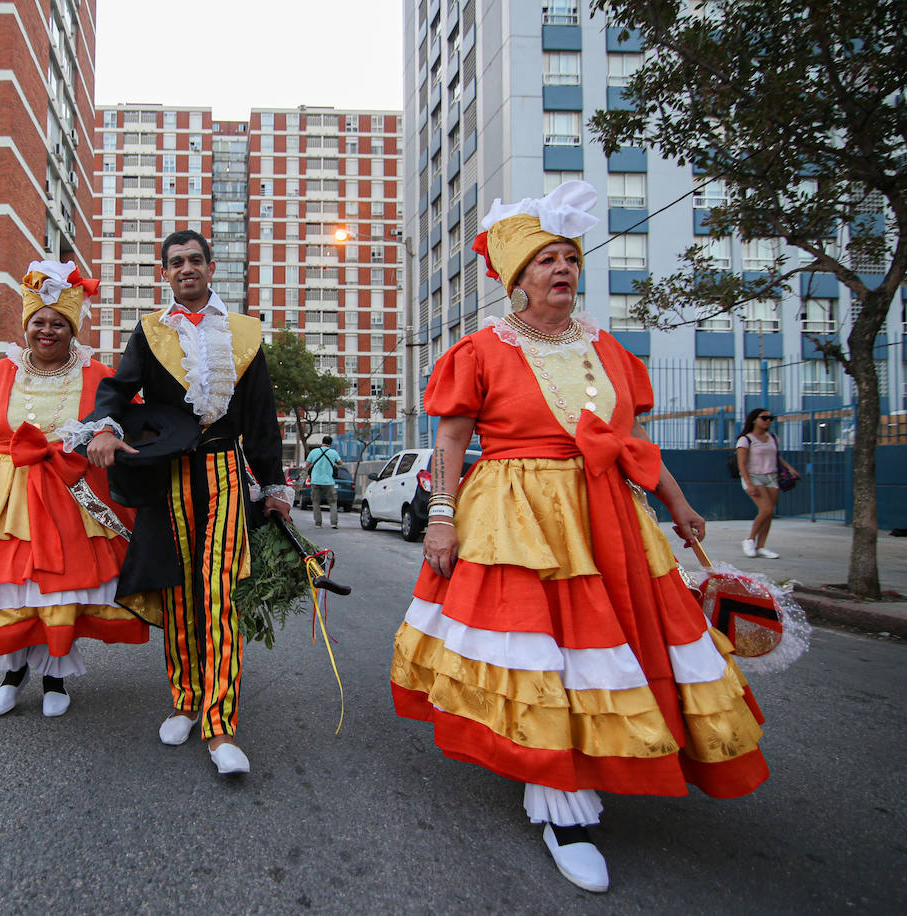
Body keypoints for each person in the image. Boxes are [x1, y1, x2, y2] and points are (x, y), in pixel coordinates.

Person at [389, 183, 769, 892]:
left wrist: (677, 502)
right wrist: (441, 514)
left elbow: (631, 439)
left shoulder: (608, 348)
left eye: (569, 257)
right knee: (544, 654)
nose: (561, 269)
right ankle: (561, 804)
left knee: (612, 649)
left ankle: (596, 760)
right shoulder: (480, 350)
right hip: (517, 519)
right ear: (516, 279)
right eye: (544, 260)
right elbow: (449, 439)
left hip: (608, 516)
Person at [68, 229, 291, 776]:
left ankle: (220, 725)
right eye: (175, 263)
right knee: (180, 593)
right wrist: (104, 427)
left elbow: (261, 419)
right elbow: (117, 389)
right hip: (168, 476)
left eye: (195, 260)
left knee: (217, 592)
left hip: (223, 475)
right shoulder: (149, 332)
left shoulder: (245, 334)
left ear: (212, 268)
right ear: (162, 274)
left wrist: (275, 486)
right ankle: (186, 699)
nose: (186, 269)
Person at [0, 261, 148, 718]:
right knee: (7, 587)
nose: (47, 331)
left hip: (73, 494)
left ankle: (55, 676)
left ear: (72, 330)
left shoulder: (98, 376)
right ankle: (13, 674)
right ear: (26, 326)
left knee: (56, 589)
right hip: (3, 497)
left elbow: (132, 427)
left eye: (58, 323)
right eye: (39, 322)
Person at [736, 408, 799, 559]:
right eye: (764, 418)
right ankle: (749, 540)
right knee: (766, 510)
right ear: (754, 420)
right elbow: (742, 464)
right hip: (754, 477)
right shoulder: (746, 439)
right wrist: (749, 483)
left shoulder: (773, 438)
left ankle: (761, 546)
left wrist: (789, 468)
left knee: (769, 513)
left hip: (772, 477)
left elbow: (777, 457)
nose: (768, 421)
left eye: (771, 418)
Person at [304, 435, 343, 528]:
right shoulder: (333, 452)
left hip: (315, 481)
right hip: (328, 482)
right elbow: (340, 463)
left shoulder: (314, 452)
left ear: (322, 442)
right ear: (330, 443)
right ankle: (334, 523)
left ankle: (318, 523)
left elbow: (307, 464)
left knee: (316, 502)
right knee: (333, 502)